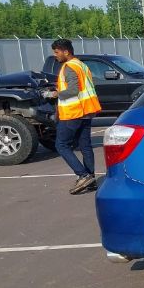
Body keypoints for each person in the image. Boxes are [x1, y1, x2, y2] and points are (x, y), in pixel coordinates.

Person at [50, 39, 102, 194]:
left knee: (61, 145)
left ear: (66, 52)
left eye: (57, 52)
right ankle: (91, 180)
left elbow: (73, 90)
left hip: (73, 112)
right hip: (86, 111)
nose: (55, 55)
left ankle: (83, 175)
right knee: (85, 146)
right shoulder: (82, 65)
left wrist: (55, 93)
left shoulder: (69, 67)